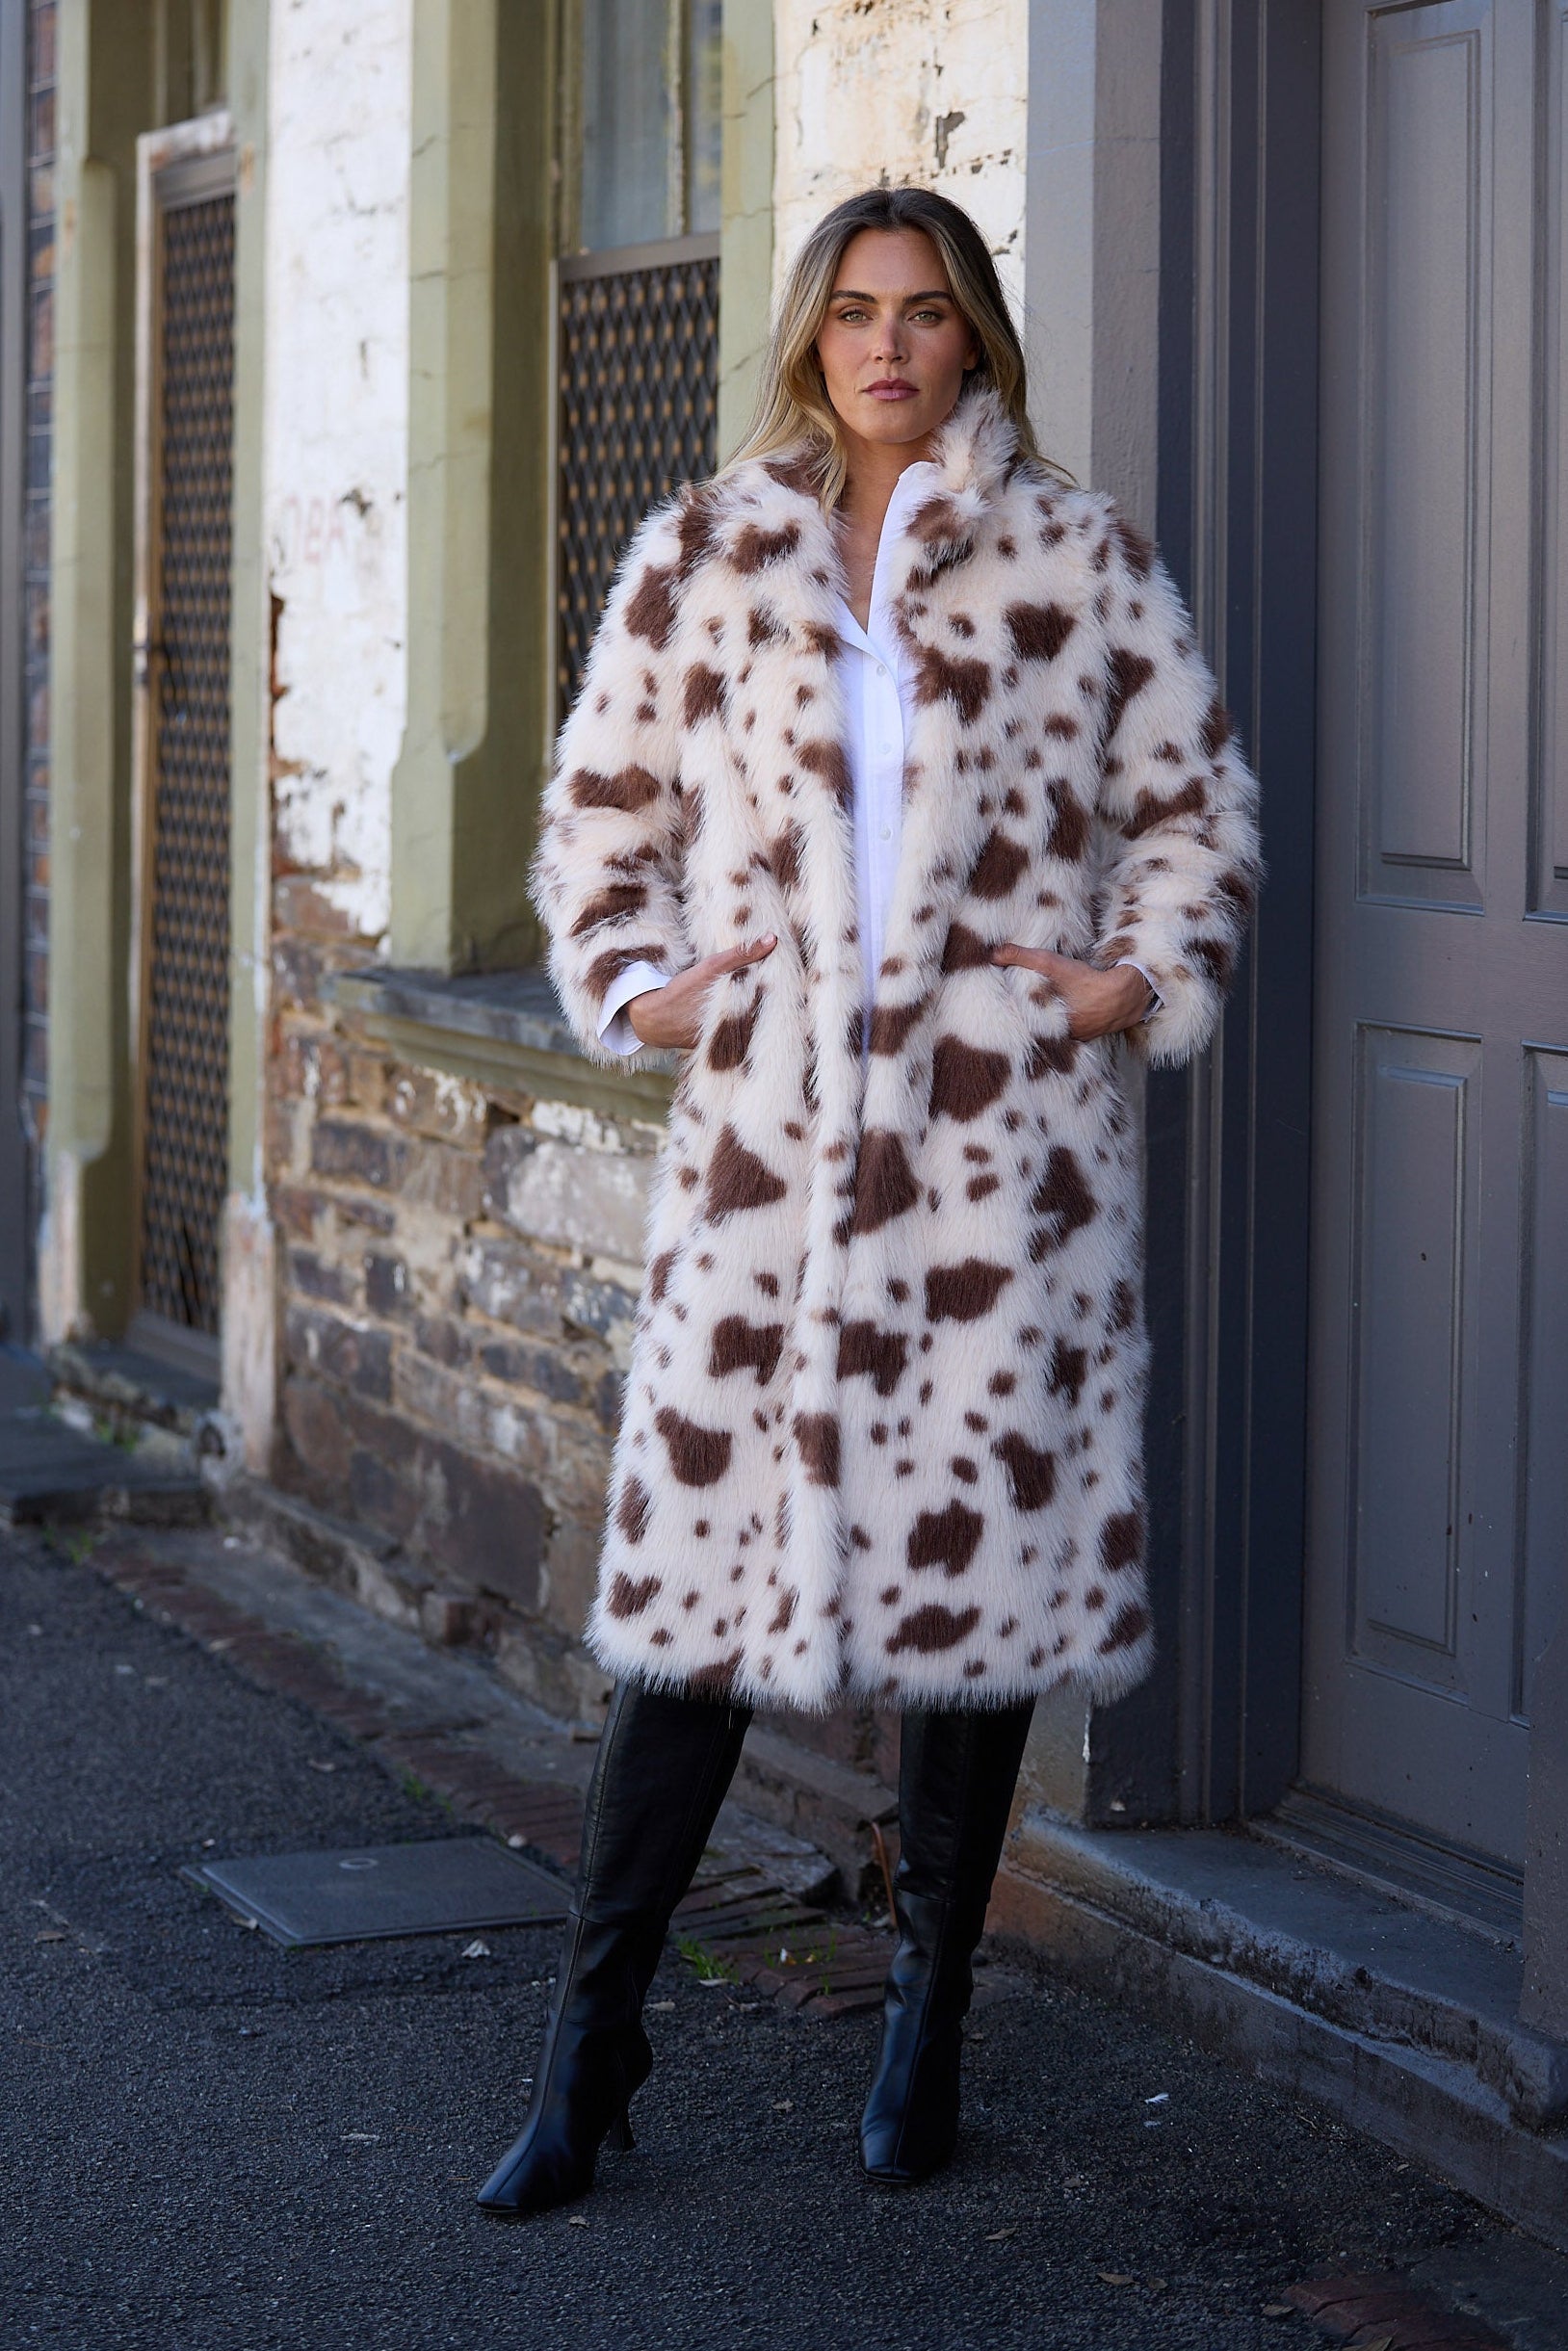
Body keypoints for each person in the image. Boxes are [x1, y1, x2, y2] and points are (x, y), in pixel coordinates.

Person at [479, 184, 1261, 2217]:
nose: (888, 346)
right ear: (810, 340)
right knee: (684, 1623)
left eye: (922, 311)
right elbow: (599, 824)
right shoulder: (707, 554)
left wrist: (1126, 983)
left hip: (998, 1171)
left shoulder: (1078, 558)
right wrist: (640, 987)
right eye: (852, 312)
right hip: (765, 1178)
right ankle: (590, 2055)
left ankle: (927, 2027)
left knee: (970, 1616)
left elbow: (1191, 812)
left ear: (974, 334)